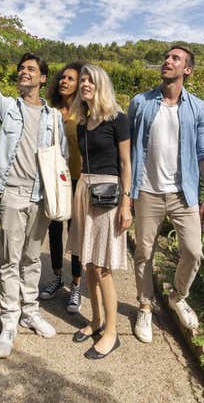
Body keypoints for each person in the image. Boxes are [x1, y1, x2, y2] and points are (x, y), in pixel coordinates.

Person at [0, 10, 65, 358]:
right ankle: (9, 318)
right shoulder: (9, 109)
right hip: (14, 193)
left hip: (42, 197)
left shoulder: (54, 117)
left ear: (42, 78)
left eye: (31, 70)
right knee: (9, 259)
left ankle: (30, 311)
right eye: (22, 69)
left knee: (33, 259)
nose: (24, 72)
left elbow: (60, 158)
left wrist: (62, 193)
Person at [128, 45, 204, 343]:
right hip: (147, 190)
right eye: (167, 57)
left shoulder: (198, 108)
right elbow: (128, 149)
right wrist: (127, 191)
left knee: (193, 251)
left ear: (187, 70)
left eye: (175, 59)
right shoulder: (140, 102)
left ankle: (178, 296)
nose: (167, 61)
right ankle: (144, 306)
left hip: (183, 193)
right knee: (144, 252)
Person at [68, 64, 132, 359]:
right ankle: (95, 320)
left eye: (90, 80)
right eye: (82, 80)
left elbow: (126, 164)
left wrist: (127, 203)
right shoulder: (82, 121)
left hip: (108, 195)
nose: (84, 84)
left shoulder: (117, 119)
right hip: (85, 190)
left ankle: (112, 332)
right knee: (89, 263)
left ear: (100, 84)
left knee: (103, 267)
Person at [39, 61, 86, 313]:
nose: (64, 81)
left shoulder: (85, 111)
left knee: (76, 234)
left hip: (79, 179)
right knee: (55, 229)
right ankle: (57, 277)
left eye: (71, 78)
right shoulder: (51, 111)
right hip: (57, 179)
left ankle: (76, 285)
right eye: (62, 78)